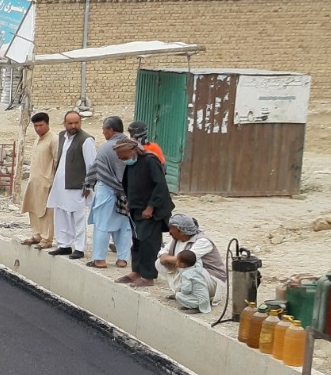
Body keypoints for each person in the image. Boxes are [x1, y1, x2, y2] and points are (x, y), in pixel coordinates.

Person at [117, 137, 175, 288]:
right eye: (121, 158)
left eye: (125, 157)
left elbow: (160, 186)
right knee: (137, 241)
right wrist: (130, 201)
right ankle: (136, 271)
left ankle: (148, 276)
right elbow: (131, 184)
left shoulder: (150, 161)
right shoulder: (131, 164)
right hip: (137, 208)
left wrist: (151, 207)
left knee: (149, 243)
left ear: (134, 150)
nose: (124, 160)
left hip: (151, 211)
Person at [83, 117, 133, 270]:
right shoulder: (131, 146)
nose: (103, 132)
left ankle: (99, 259)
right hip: (126, 193)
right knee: (124, 227)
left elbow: (96, 168)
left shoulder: (107, 147)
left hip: (107, 192)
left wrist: (87, 184)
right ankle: (122, 259)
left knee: (102, 226)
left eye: (104, 129)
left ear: (111, 130)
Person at [47, 110, 96, 259]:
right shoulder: (61, 136)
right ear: (65, 123)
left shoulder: (86, 140)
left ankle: (80, 248)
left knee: (78, 217)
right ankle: (64, 245)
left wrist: (88, 186)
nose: (74, 126)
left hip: (77, 186)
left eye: (77, 122)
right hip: (61, 184)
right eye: (70, 123)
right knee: (61, 214)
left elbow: (92, 165)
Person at [160, 213, 227, 301]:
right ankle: (182, 293)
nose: (170, 232)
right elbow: (162, 253)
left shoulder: (203, 241)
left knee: (187, 268)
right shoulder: (177, 239)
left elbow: (186, 260)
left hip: (211, 278)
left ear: (181, 231)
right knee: (160, 263)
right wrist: (165, 257)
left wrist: (166, 258)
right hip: (196, 274)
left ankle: (198, 301)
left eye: (172, 229)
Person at [20, 112, 57, 249]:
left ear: (47, 124)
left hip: (46, 182)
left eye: (41, 125)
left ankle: (47, 239)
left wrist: (54, 182)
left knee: (45, 211)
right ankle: (37, 235)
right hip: (34, 181)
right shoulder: (37, 139)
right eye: (35, 126)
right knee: (33, 208)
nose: (38, 129)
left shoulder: (53, 139)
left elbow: (57, 161)